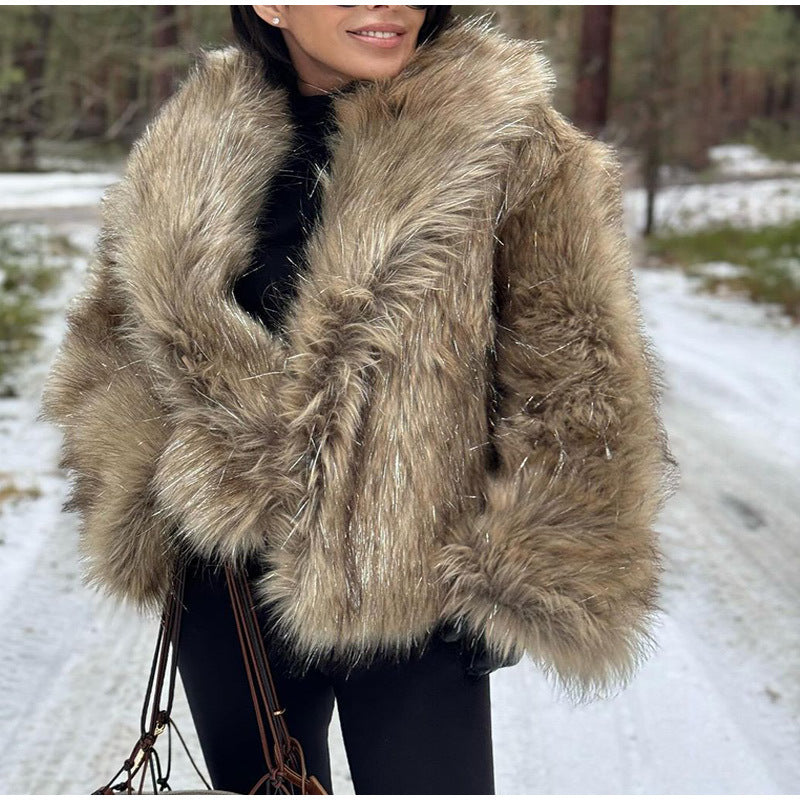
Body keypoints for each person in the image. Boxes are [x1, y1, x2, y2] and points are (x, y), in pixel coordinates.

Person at [40, 4, 679, 795]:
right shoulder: (192, 139)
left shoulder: (511, 138)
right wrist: (146, 493)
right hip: (227, 581)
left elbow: (578, 378)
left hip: (417, 588)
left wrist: (532, 564)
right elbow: (110, 343)